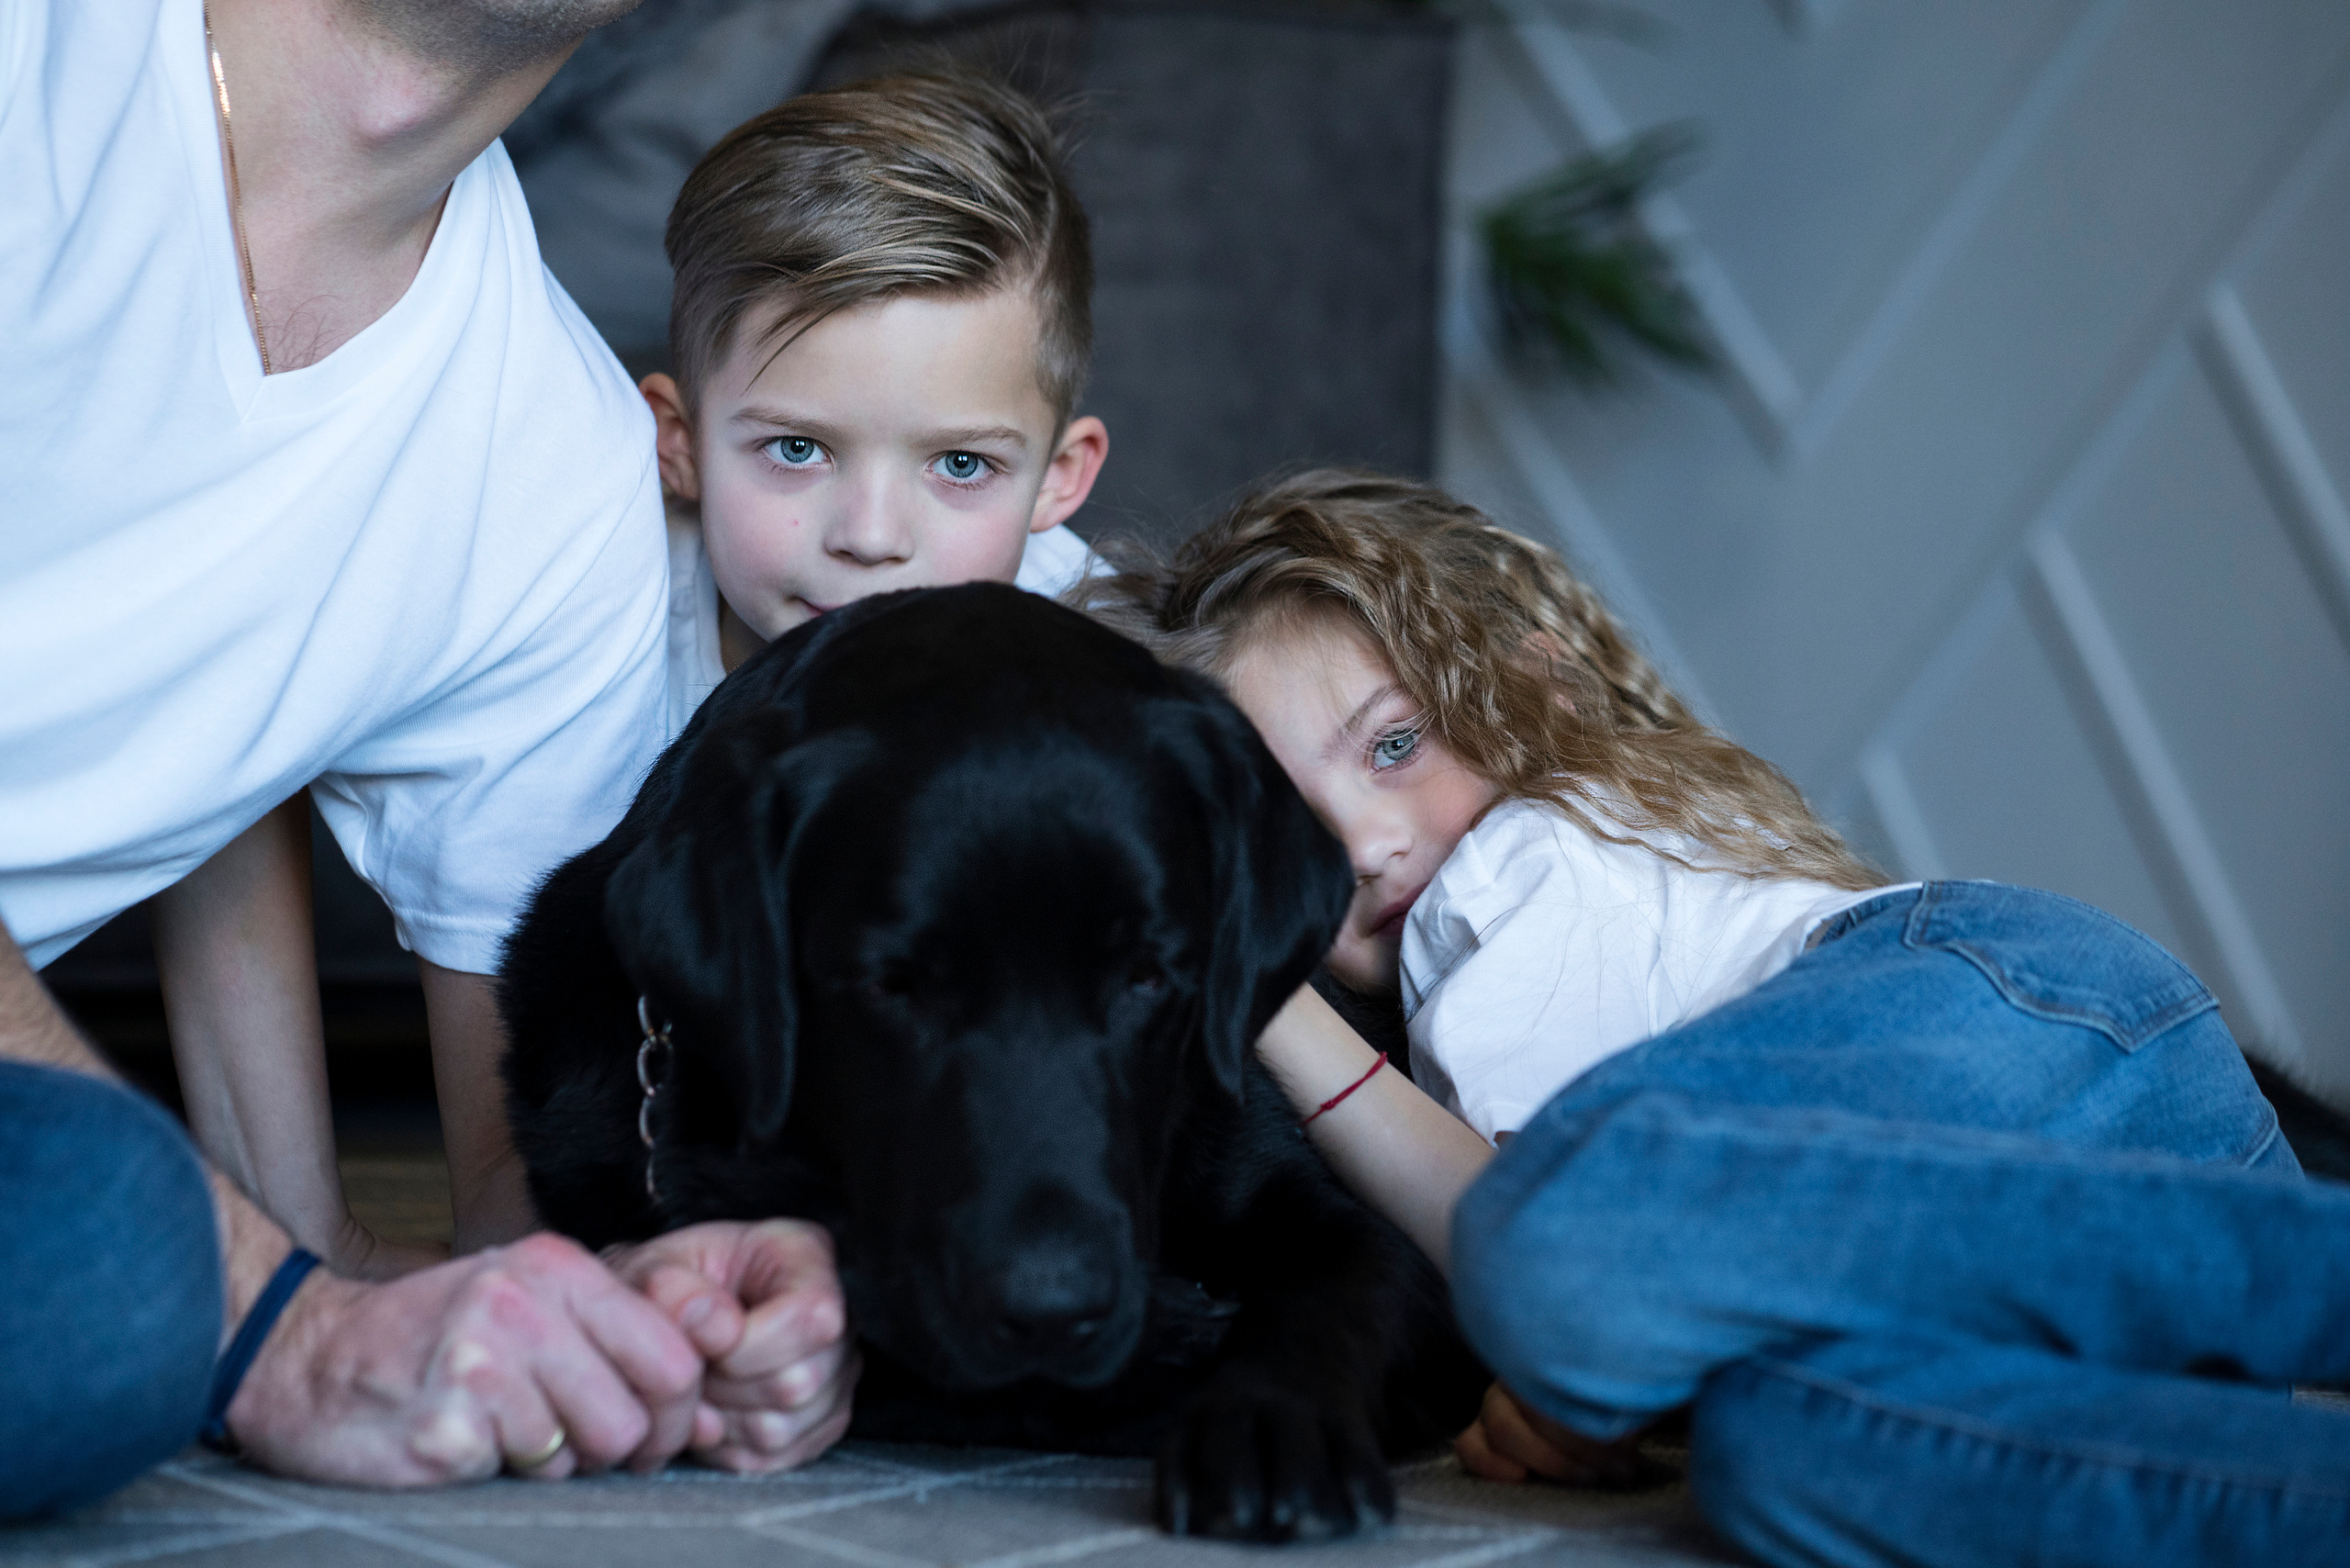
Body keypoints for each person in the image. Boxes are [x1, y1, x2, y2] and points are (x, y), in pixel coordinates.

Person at [1072, 469, 2350, 1566]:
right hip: (2130, 1162)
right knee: (1783, 1445)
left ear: (1538, 693)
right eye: (1293, 828)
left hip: (1994, 1002)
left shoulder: (1519, 863)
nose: (1363, 844)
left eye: (1394, 747)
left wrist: (1280, 1011)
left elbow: (1523, 1225)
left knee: (1554, 1257)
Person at [1, 0, 850, 1514]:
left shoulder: (557, 487)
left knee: (103, 1263)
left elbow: (516, 1178)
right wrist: (282, 1320)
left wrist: (662, 1308)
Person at [637, 68, 1110, 734]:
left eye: (961, 464)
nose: (870, 538)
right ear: (679, 442)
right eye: (797, 449)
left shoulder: (1111, 702)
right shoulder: (588, 615)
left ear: (1057, 479)